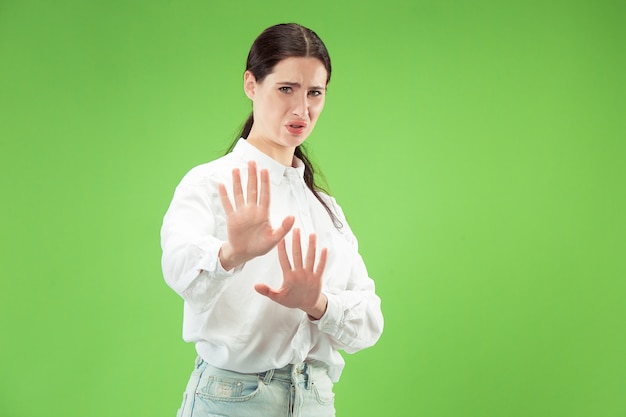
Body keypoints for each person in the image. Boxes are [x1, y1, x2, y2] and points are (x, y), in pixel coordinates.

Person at [161, 23, 383, 417]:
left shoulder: (325, 208)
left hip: (315, 400)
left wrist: (318, 303)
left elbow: (369, 322)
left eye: (315, 92)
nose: (302, 109)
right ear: (251, 84)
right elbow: (179, 270)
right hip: (231, 400)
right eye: (286, 89)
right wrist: (230, 254)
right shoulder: (211, 183)